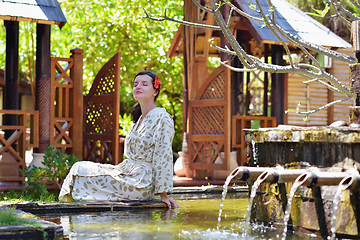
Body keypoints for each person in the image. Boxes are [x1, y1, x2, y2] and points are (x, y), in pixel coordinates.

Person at [59, 71, 180, 209]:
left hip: (141, 183)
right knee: (79, 167)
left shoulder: (162, 118)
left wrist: (163, 194)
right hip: (128, 172)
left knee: (81, 173)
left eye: (144, 84)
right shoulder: (140, 119)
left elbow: (163, 155)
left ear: (155, 91)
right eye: (136, 84)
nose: (138, 87)